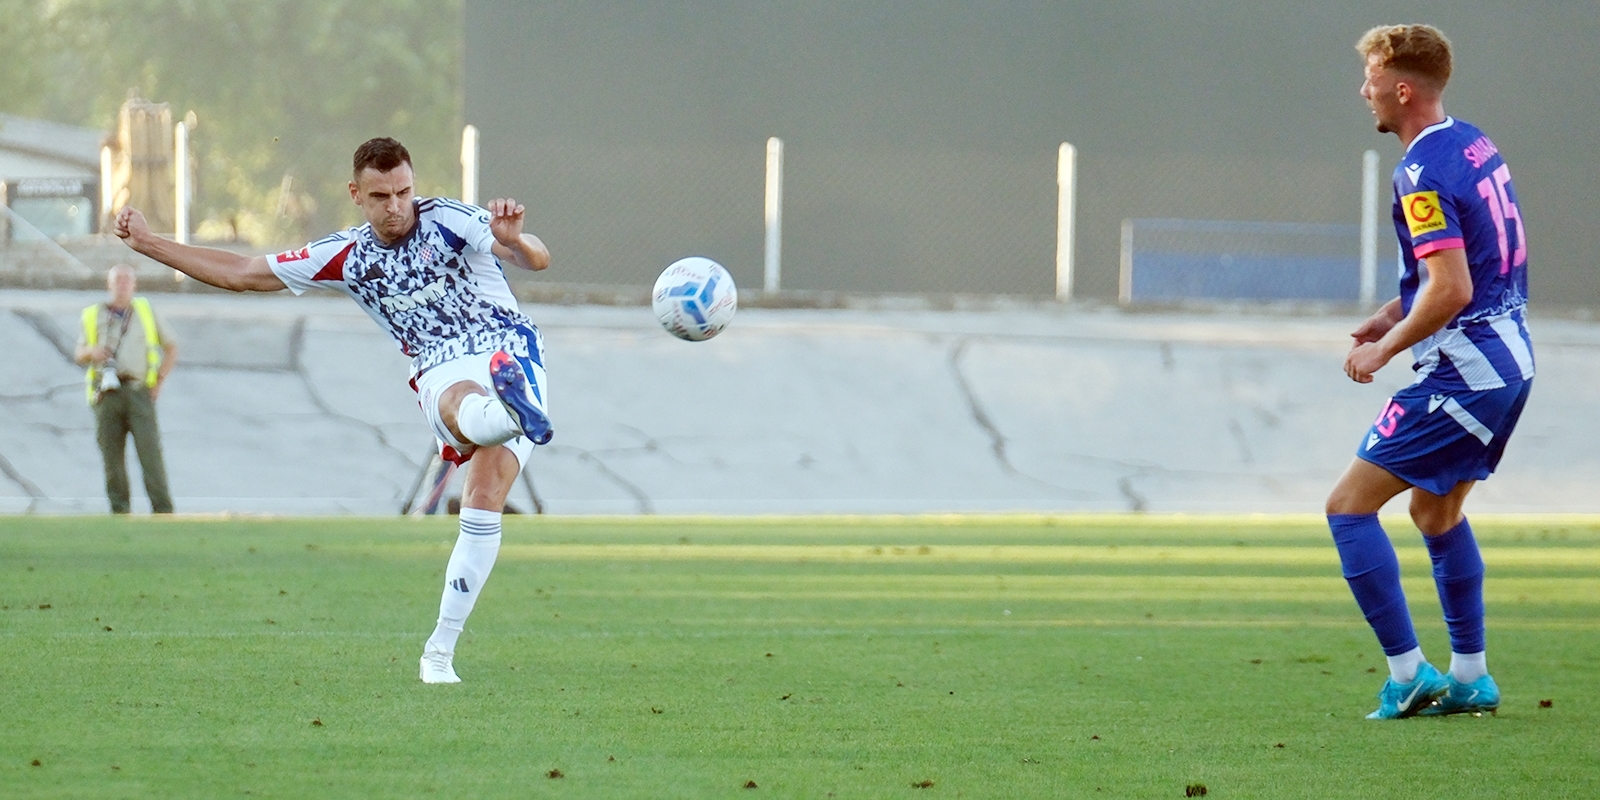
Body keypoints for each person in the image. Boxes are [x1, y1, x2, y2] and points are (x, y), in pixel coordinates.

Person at [115, 137, 553, 685]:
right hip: (442, 366)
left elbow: (533, 255)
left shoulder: (450, 219)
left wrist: (517, 240)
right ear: (356, 195)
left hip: (507, 348)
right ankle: (508, 414)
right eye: (381, 196)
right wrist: (151, 244)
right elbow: (246, 271)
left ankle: (438, 653)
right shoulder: (346, 254)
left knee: (483, 501)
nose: (396, 205)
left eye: (404, 191)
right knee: (461, 398)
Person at [1326, 25, 1533, 719]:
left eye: (1372, 78)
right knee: (1434, 509)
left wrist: (1381, 353)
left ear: (1402, 86)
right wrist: (1393, 315)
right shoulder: (1471, 141)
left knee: (1348, 507)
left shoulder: (1419, 171)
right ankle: (1471, 676)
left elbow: (1452, 290)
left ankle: (1409, 673)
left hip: (1466, 370)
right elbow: (1472, 261)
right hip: (1510, 361)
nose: (1364, 91)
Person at [73, 264, 178, 514]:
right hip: (106, 393)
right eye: (117, 280)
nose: (121, 285)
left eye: (126, 280)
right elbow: (78, 353)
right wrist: (92, 352)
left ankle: (163, 510)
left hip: (138, 389)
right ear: (109, 285)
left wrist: (159, 381)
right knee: (111, 457)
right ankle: (119, 510)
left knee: (150, 453)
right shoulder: (92, 314)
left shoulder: (145, 311)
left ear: (134, 285)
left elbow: (172, 347)